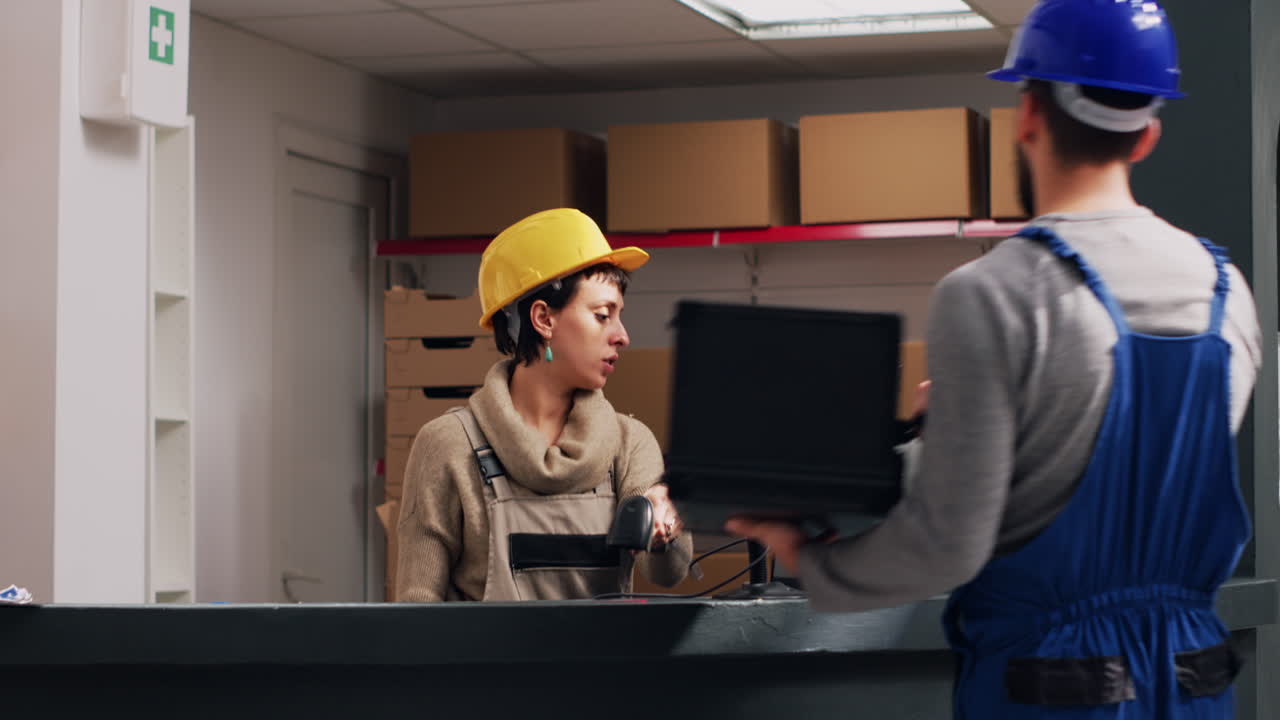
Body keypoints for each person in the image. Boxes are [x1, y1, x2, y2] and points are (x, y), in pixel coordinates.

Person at [728, 1, 1262, 717]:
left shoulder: (991, 292)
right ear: (1147, 137)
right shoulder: (1226, 292)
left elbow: (947, 547)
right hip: (1195, 681)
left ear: (1029, 116)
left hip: (1052, 688)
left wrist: (809, 559)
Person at [396, 208, 691, 602]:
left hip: (601, 665)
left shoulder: (628, 443)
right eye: (603, 315)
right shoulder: (448, 445)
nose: (622, 336)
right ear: (543, 319)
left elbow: (668, 573)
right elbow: (417, 613)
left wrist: (664, 523)